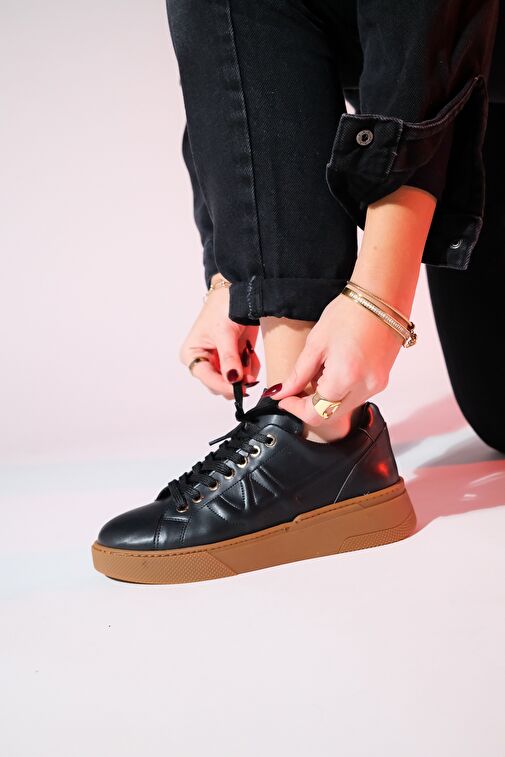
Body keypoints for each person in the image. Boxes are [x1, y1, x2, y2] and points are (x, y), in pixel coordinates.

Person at [91, 0, 502, 584]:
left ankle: (314, 438)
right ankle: (313, 433)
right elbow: (233, 67)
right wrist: (240, 274)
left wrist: (379, 297)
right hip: (464, 103)